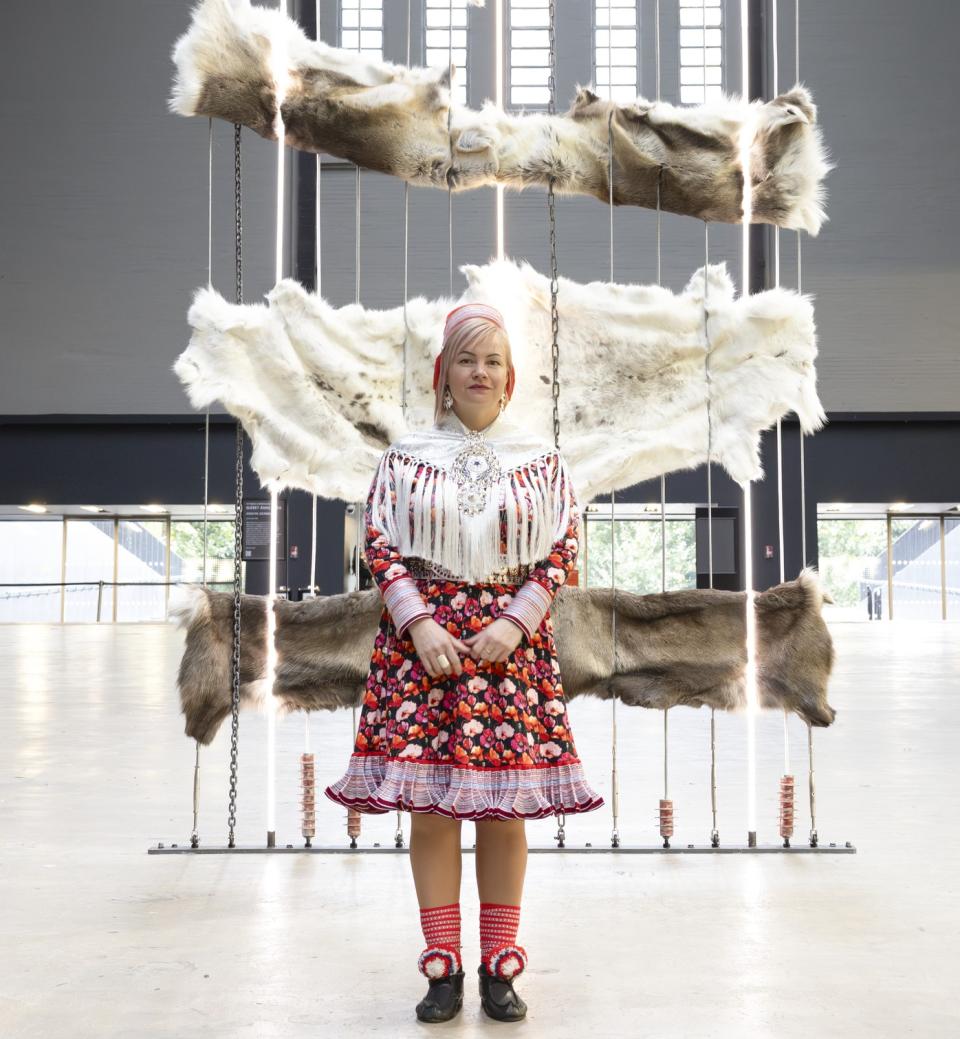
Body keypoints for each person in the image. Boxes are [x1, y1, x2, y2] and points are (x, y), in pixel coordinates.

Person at [324, 302, 604, 1023]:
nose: (479, 372)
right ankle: (442, 965)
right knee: (433, 811)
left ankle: (499, 966)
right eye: (466, 360)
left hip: (512, 650)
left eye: (493, 361)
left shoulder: (540, 459)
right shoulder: (406, 455)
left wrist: (517, 621)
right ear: (442, 374)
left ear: (509, 378)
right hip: (424, 653)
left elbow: (562, 547)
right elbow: (380, 545)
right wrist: (417, 623)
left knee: (505, 813)